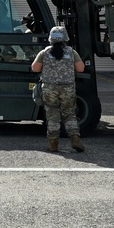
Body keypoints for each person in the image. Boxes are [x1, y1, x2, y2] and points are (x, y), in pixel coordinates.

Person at [31, 25, 85, 153]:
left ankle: (53, 144)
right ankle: (75, 139)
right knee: (69, 114)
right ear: (65, 37)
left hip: (50, 88)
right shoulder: (72, 52)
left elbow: (35, 69)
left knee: (52, 115)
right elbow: (81, 69)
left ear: (51, 38)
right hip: (68, 88)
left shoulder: (44, 52)